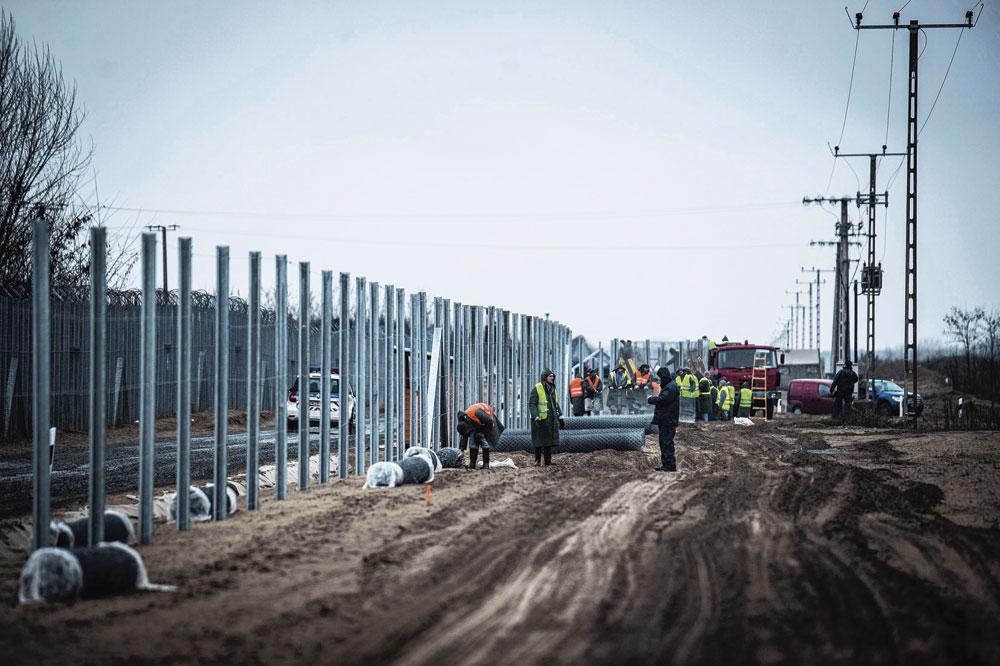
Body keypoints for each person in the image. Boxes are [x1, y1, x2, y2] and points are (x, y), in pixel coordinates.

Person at [529, 369, 564, 466]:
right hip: (540, 420)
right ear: (545, 377)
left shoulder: (553, 388)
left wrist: (561, 417)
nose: (552, 378)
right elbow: (532, 404)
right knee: (538, 440)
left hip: (551, 419)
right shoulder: (537, 388)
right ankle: (537, 461)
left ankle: (548, 461)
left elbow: (556, 404)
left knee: (549, 440)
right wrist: (536, 416)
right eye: (550, 376)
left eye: (553, 376)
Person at [648, 366, 679, 472]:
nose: (660, 380)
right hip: (666, 419)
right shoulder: (670, 386)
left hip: (668, 420)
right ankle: (667, 464)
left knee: (666, 443)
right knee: (664, 442)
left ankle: (669, 465)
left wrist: (651, 399)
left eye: (661, 377)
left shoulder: (670, 387)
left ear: (664, 376)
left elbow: (664, 399)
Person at [456, 402, 505, 470]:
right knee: (473, 442)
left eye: (469, 432)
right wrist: (462, 450)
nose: (468, 435)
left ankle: (486, 464)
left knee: (484, 441)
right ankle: (472, 464)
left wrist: (482, 433)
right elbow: (464, 436)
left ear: (469, 426)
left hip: (488, 422)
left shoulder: (477, 413)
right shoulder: (463, 423)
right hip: (476, 423)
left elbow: (490, 422)